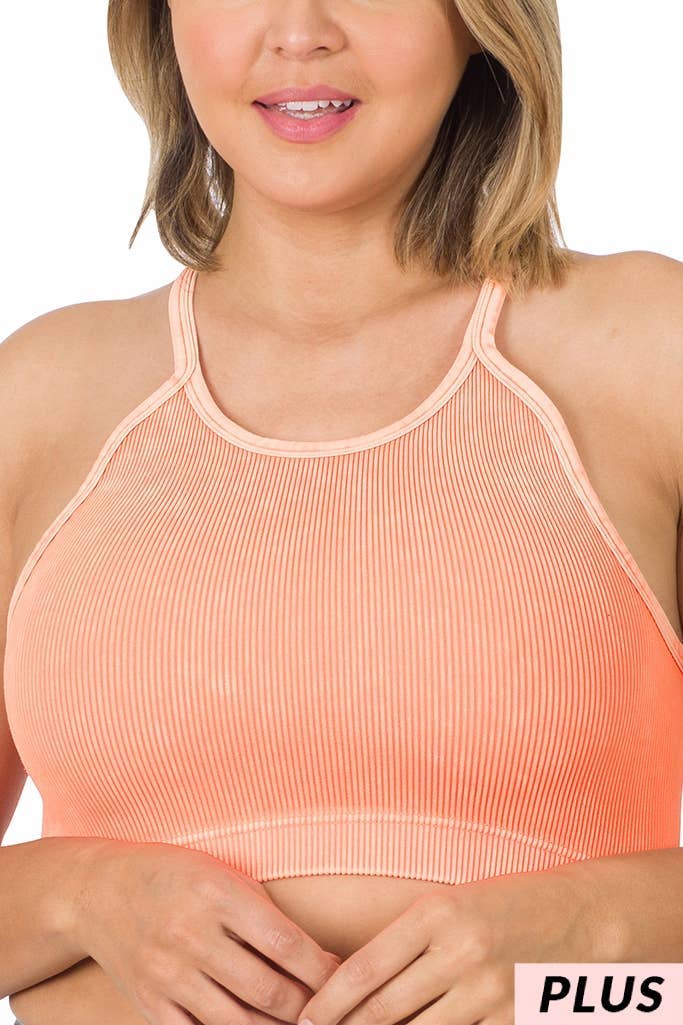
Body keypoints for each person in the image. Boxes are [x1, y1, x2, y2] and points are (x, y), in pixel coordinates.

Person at [2, 1, 683, 1024]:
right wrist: (78, 892)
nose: (299, 31)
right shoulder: (38, 401)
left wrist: (586, 948)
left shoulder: (645, 354)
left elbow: (647, 995)